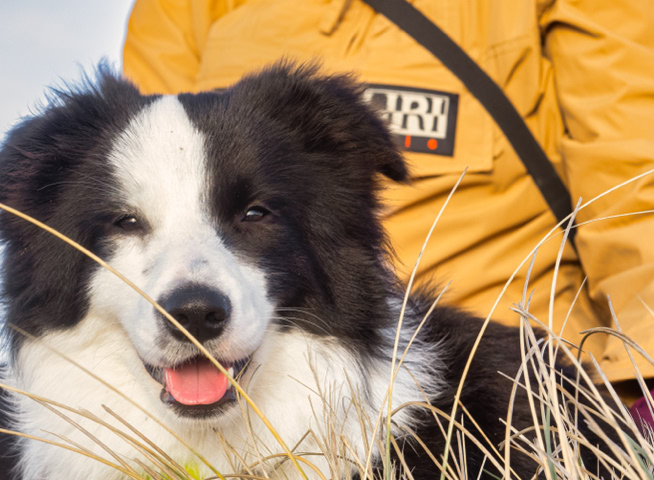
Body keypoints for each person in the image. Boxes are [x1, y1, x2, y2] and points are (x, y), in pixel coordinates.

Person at [0, 1, 653, 480]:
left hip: (426, 371)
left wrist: (642, 381)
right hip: (156, 360)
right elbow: (154, 147)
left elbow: (638, 182)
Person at [122, 0, 654, 393]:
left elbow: (634, 186)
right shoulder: (186, 10)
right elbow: (143, 189)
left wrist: (639, 389)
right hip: (253, 399)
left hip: (502, 403)